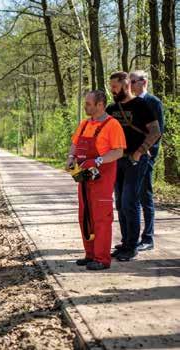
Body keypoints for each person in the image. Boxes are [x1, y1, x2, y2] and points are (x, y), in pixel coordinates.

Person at [66, 90, 126, 270]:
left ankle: (102, 258)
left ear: (101, 105)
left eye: (89, 104)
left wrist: (98, 160)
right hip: (84, 176)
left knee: (101, 218)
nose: (85, 107)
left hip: (102, 177)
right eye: (85, 103)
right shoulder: (84, 124)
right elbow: (75, 144)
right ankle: (90, 254)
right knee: (85, 216)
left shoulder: (112, 125)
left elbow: (118, 151)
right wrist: (70, 158)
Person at [106, 72, 162, 261]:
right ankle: (125, 242)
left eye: (115, 86)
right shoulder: (111, 109)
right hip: (117, 160)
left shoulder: (141, 105)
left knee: (130, 201)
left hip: (136, 160)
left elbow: (155, 132)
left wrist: (139, 152)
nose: (112, 90)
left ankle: (132, 246)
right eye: (111, 86)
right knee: (120, 203)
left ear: (126, 84)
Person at [128, 70, 164, 251]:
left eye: (133, 81)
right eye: (129, 81)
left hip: (146, 157)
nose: (130, 85)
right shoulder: (131, 103)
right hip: (129, 157)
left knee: (145, 197)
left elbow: (158, 132)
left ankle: (148, 238)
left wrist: (146, 153)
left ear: (144, 82)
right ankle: (131, 238)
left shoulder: (153, 102)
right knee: (129, 198)